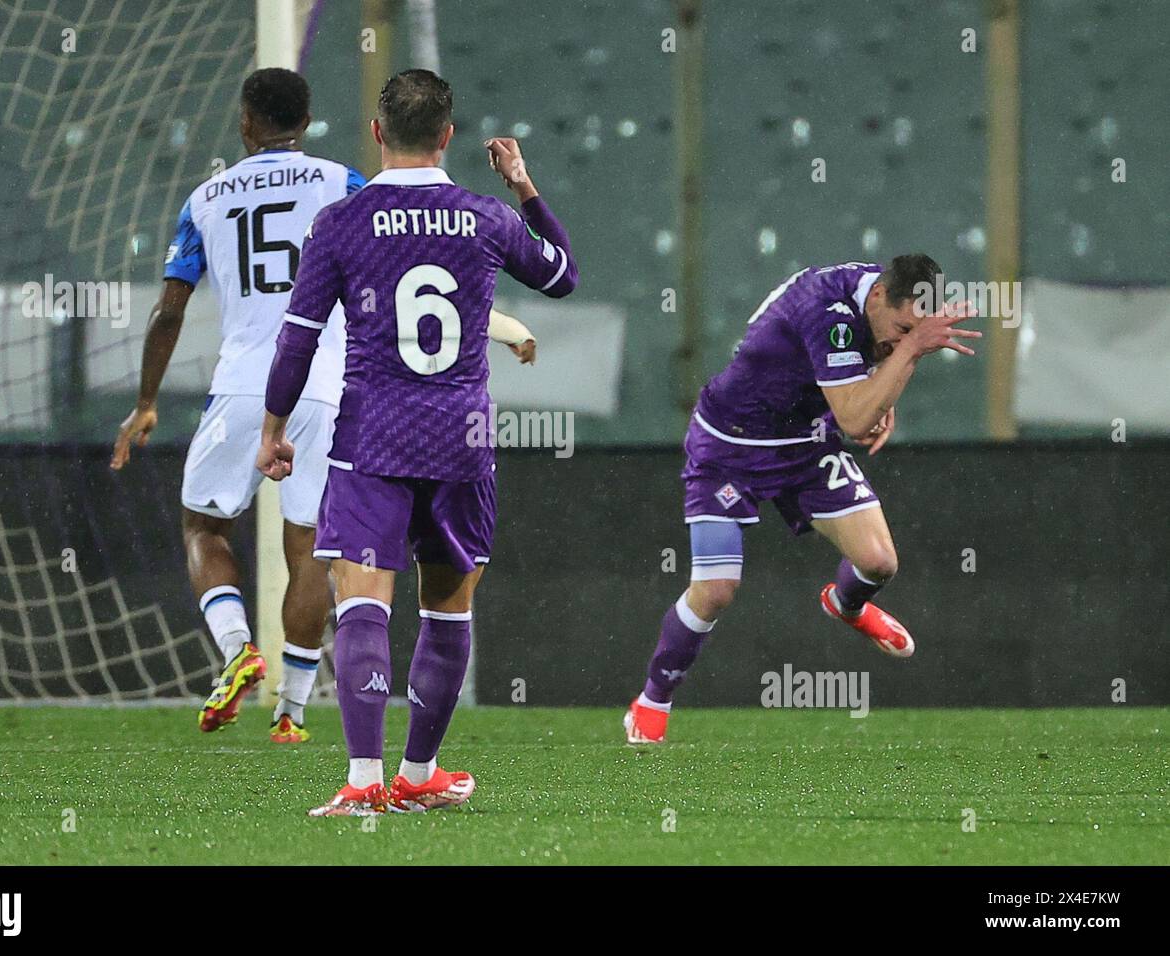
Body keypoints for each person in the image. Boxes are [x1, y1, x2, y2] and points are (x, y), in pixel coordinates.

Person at [256, 69, 578, 815]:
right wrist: (525, 185)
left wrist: (274, 429)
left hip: (373, 436)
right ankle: (421, 771)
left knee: (363, 602)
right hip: (460, 440)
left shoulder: (339, 224)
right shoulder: (486, 217)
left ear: (376, 133)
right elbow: (562, 276)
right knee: (447, 609)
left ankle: (365, 783)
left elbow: (298, 341)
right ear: (447, 137)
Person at [624, 257, 978, 744]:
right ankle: (652, 699)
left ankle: (846, 605)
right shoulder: (827, 309)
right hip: (731, 447)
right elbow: (855, 418)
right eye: (901, 327)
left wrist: (887, 389)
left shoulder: (887, 292)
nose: (902, 338)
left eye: (912, 330)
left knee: (878, 563)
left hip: (807, 443)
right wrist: (908, 355)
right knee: (716, 590)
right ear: (878, 298)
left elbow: (873, 369)